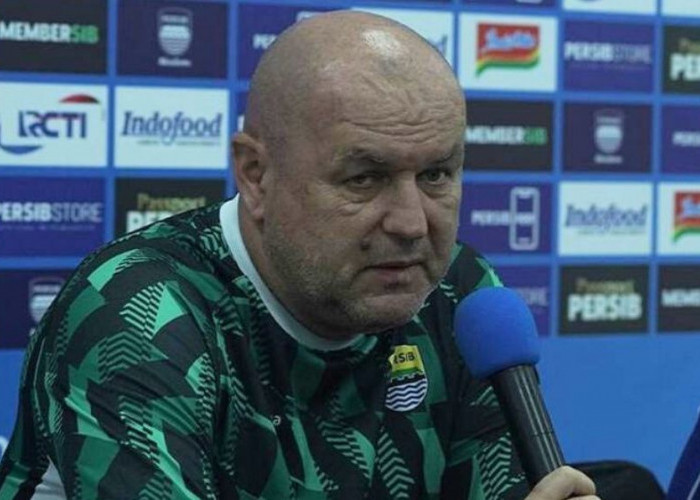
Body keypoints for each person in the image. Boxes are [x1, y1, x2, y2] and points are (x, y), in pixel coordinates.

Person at [0, 11, 599, 500]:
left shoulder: (460, 295)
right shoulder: (138, 312)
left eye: (436, 175)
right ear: (255, 175)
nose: (412, 224)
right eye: (364, 178)